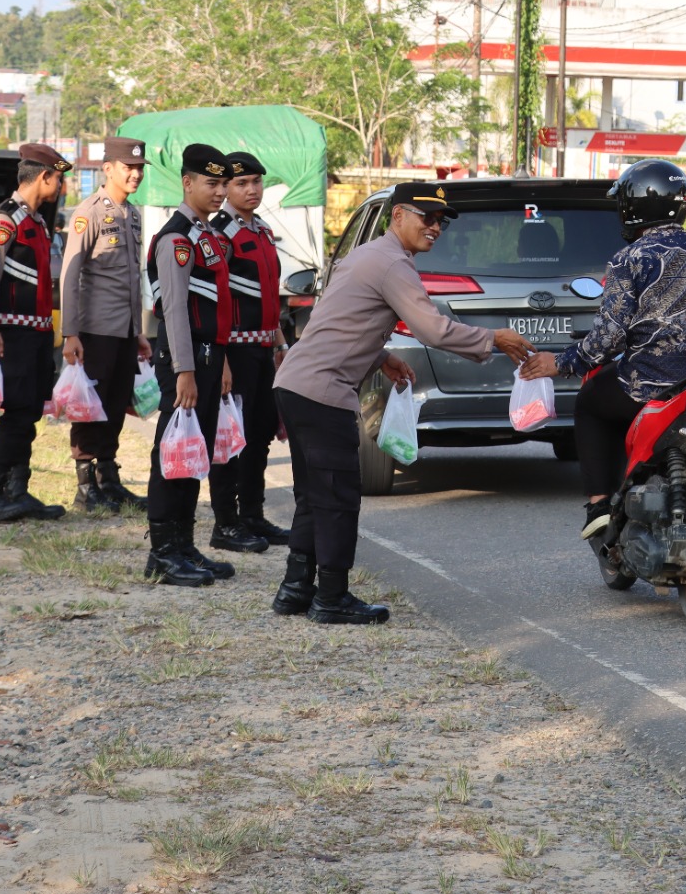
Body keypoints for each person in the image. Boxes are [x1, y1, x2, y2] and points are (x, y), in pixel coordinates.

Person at [271, 183, 534, 624]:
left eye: (441, 221)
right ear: (397, 217)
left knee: (313, 497)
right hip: (322, 391)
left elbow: (334, 319)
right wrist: (494, 337)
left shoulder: (368, 254)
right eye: (425, 217)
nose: (435, 227)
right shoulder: (394, 262)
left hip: (297, 385)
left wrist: (382, 355)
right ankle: (331, 599)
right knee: (336, 498)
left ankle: (296, 590)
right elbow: (433, 330)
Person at [519, 159, 686, 539]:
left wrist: (563, 363)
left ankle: (599, 505)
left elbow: (609, 336)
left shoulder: (630, 259)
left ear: (632, 207)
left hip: (652, 386)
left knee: (591, 403)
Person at [145, 143, 255, 587]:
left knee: (196, 453)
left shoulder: (206, 235)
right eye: (211, 183)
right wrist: (184, 372)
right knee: (172, 454)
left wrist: (222, 359)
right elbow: (173, 311)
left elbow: (215, 308)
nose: (219, 191)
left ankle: (184, 543)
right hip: (185, 358)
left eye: (222, 183)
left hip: (209, 356)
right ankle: (163, 552)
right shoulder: (177, 238)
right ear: (187, 182)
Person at [0, 144, 71, 524]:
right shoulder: (5, 220)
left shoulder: (37, 221)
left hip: (37, 334)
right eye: (58, 178)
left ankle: (18, 490)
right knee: (14, 414)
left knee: (29, 411)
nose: (61, 185)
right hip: (12, 333)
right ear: (43, 177)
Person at [60, 136, 154, 515]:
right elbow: (70, 275)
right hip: (95, 331)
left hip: (124, 331)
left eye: (139, 168)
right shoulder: (89, 213)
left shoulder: (132, 214)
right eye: (128, 167)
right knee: (90, 408)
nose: (135, 174)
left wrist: (138, 330)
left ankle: (109, 481)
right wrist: (70, 333)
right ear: (108, 169)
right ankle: (85, 488)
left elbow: (132, 278)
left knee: (115, 406)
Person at [208, 150, 291, 548]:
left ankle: (253, 516)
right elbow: (214, 299)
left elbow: (269, 296)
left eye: (256, 181)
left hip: (262, 350)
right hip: (233, 352)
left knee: (259, 435)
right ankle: (225, 523)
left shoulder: (260, 230)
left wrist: (280, 344)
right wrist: (220, 357)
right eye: (241, 183)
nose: (251, 189)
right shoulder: (220, 233)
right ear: (224, 188)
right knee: (230, 440)